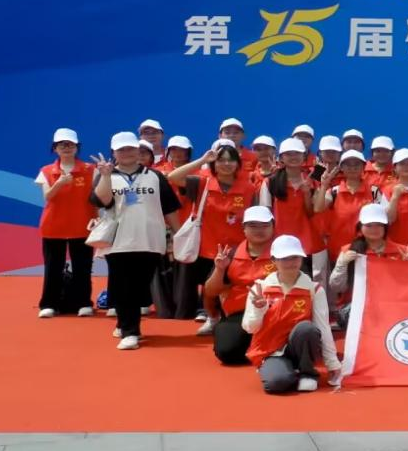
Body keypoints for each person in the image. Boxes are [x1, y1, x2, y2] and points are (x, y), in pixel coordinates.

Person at [91, 132, 182, 350]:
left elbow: (170, 208)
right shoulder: (106, 175)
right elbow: (102, 201)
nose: (127, 153)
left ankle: (124, 323)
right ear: (114, 153)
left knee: (140, 286)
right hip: (118, 241)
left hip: (150, 240)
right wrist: (105, 176)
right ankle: (131, 331)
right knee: (124, 286)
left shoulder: (155, 176)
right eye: (121, 150)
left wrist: (179, 235)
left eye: (131, 148)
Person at [166, 144, 257, 324]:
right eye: (221, 160)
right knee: (206, 287)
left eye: (231, 160)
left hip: (234, 249)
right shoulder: (203, 183)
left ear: (238, 164)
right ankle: (211, 316)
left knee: (226, 287)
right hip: (204, 246)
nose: (226, 164)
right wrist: (202, 160)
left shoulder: (249, 188)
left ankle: (222, 318)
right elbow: (173, 177)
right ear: (214, 163)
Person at [243, 234, 341, 393]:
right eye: (284, 258)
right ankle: (281, 369)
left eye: (295, 257)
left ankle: (307, 372)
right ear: (273, 260)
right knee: (277, 384)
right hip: (271, 351)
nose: (291, 263)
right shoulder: (260, 289)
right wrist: (259, 309)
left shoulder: (314, 289)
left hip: (299, 347)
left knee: (307, 328)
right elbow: (250, 328)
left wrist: (333, 364)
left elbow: (323, 328)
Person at [36, 128, 98, 318]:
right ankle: (49, 304)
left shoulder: (90, 169)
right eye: (61, 145)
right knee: (53, 267)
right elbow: (48, 196)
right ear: (55, 148)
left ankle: (83, 303)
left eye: (70, 144)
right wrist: (60, 183)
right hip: (54, 226)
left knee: (83, 267)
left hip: (83, 225)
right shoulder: (46, 171)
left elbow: (98, 197)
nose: (66, 148)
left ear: (77, 147)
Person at [204, 205, 275, 364]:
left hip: (274, 313)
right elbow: (211, 291)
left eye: (265, 225)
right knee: (227, 351)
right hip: (239, 314)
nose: (259, 230)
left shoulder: (283, 253)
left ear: (273, 227)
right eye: (253, 226)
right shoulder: (230, 253)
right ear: (244, 229)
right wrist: (220, 269)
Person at [329, 204, 408, 326]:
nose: (374, 229)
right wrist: (342, 264)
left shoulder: (401, 251)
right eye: (369, 225)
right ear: (360, 227)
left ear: (385, 227)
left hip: (393, 305)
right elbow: (336, 287)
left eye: (379, 225)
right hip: (358, 306)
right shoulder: (348, 250)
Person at [313, 149, 378, 311]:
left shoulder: (374, 191)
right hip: (338, 250)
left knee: (365, 287)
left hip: (366, 249)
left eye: (357, 164)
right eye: (348, 164)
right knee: (341, 289)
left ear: (363, 167)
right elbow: (318, 208)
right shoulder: (334, 191)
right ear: (341, 167)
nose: (352, 168)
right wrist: (324, 185)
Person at [259, 138, 320, 271]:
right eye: (289, 154)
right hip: (277, 241)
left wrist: (306, 194)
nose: (293, 157)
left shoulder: (313, 182)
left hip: (305, 243)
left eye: (297, 153)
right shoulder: (270, 182)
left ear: (304, 156)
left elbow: (311, 213)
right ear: (281, 158)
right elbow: (265, 215)